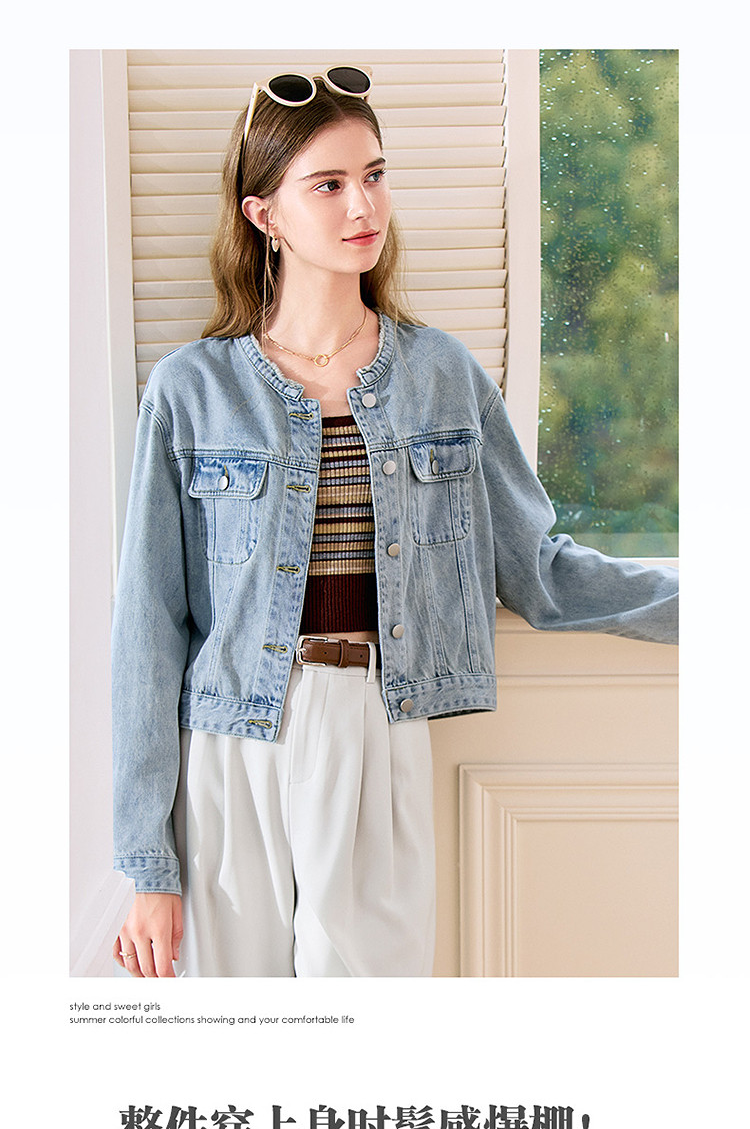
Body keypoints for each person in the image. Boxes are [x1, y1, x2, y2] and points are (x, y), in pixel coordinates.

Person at [112, 66, 678, 980]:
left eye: (374, 175)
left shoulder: (441, 376)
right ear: (264, 214)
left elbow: (537, 570)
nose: (362, 205)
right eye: (328, 184)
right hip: (229, 740)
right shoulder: (191, 390)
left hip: (378, 717)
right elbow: (146, 626)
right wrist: (147, 864)